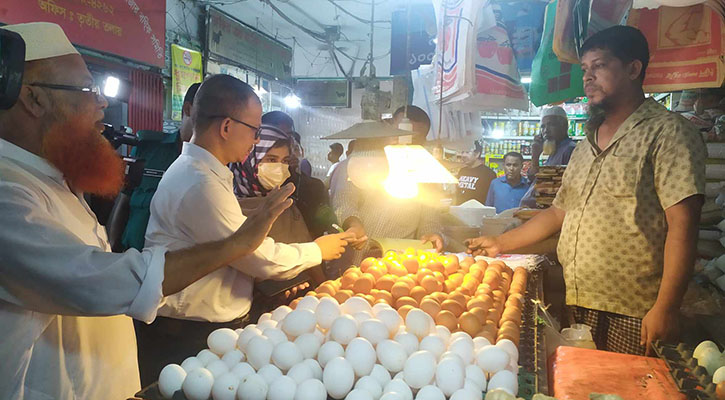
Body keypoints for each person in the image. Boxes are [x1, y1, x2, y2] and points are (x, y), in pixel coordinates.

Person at [0, 22, 292, 399]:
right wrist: (236, 244)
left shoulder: (50, 180)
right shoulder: (10, 195)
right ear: (33, 98)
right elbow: (101, 281)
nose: (102, 103)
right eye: (88, 90)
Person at [466, 26, 705, 355]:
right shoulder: (586, 144)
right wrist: (500, 243)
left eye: (599, 66)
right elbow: (558, 212)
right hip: (580, 300)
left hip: (635, 309)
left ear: (634, 69)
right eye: (584, 69)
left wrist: (665, 307)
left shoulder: (668, 133)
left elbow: (683, 224)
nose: (588, 78)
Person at [140, 75, 353, 385]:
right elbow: (252, 255)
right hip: (189, 335)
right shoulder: (201, 184)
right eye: (253, 131)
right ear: (227, 127)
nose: (255, 141)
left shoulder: (205, 174)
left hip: (206, 329)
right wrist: (317, 250)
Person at [330, 107, 445, 267]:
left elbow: (430, 216)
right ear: (387, 126)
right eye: (398, 134)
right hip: (352, 260)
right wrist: (354, 225)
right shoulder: (362, 162)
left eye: (414, 138)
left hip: (394, 266)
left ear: (423, 141)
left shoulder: (425, 170)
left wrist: (432, 234)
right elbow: (344, 201)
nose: (404, 141)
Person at [121, 82, 201, 251]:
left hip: (172, 266)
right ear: (188, 109)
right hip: (130, 256)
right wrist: (111, 246)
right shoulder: (148, 149)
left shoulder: (214, 166)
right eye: (208, 114)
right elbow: (124, 199)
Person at [519, 106, 577, 208]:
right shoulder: (554, 150)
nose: (546, 130)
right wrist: (535, 156)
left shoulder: (569, 150)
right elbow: (534, 179)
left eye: (551, 125)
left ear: (564, 126)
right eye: (543, 127)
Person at [456, 141, 497, 205]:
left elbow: (491, 199)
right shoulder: (462, 171)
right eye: (462, 152)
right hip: (459, 211)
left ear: (477, 154)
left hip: (477, 212)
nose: (463, 155)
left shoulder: (488, 174)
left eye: (467, 152)